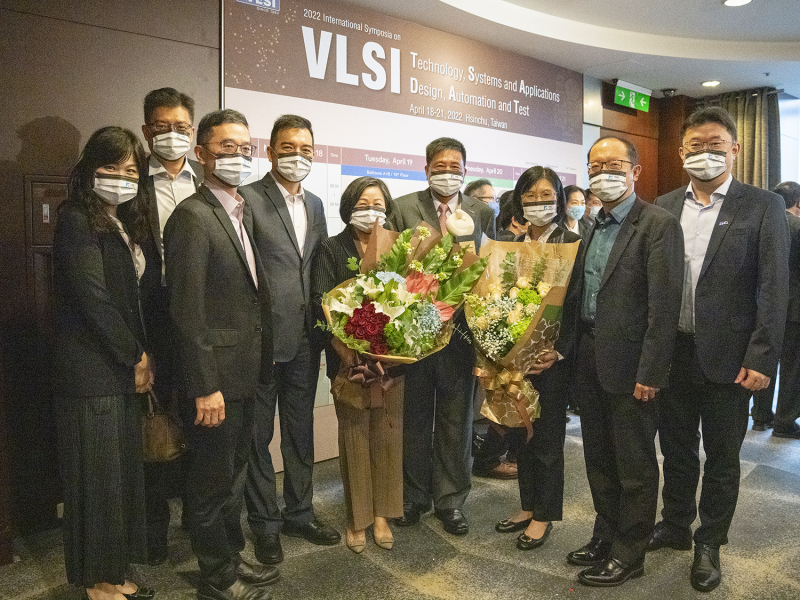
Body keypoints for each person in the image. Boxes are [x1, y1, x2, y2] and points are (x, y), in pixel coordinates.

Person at [650, 107, 790, 593]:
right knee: (676, 448)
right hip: (674, 353)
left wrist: (762, 357)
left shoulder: (763, 205)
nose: (704, 153)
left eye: (715, 145)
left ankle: (709, 541)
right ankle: (675, 524)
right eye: (695, 146)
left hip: (731, 359)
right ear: (680, 152)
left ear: (734, 149)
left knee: (723, 456)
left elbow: (774, 287)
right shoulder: (665, 205)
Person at [164, 109, 278, 600]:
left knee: (234, 477)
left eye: (245, 148)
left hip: (245, 373)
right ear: (201, 153)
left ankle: (231, 558)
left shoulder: (239, 211)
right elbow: (187, 313)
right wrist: (205, 386)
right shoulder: (192, 217)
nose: (238, 156)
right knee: (211, 483)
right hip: (216, 381)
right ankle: (217, 577)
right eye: (226, 147)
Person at [568, 136, 684, 587]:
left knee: (634, 465)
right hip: (589, 356)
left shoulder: (658, 224)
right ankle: (605, 535)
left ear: (635, 171)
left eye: (614, 165)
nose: (604, 174)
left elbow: (664, 307)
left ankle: (629, 552)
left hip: (633, 365)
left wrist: (652, 372)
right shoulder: (592, 224)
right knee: (598, 458)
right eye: (596, 166)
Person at [52, 126, 156, 600]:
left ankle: (112, 571)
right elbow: (93, 299)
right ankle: (98, 582)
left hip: (117, 369)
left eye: (130, 170)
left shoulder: (122, 221)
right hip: (91, 372)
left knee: (116, 476)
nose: (121, 177)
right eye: (110, 167)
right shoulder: (77, 219)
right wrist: (134, 355)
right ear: (89, 168)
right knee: (96, 480)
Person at [240, 115, 338, 565]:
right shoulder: (248, 198)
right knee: (258, 437)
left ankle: (300, 512)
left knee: (300, 432)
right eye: (288, 147)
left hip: (304, 341)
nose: (297, 156)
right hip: (261, 341)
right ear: (270, 151)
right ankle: (265, 525)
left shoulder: (315, 204)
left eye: (305, 149)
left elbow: (315, 267)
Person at [388, 137, 495, 535]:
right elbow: (390, 266)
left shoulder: (482, 212)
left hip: (462, 335)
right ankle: (413, 497)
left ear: (465, 171)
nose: (448, 173)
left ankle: (451, 501)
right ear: (426, 168)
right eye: (440, 166)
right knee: (415, 417)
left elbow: (490, 269)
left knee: (456, 419)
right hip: (415, 333)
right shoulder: (402, 208)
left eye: (455, 167)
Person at [121, 86, 203, 566]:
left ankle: (198, 520)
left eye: (181, 127)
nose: (172, 134)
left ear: (193, 132)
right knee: (151, 427)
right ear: (146, 129)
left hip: (199, 323)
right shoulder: (130, 183)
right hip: (149, 322)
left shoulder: (208, 180)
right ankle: (152, 533)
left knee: (201, 422)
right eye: (162, 126)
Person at [310, 176, 404, 553]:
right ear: (348, 208)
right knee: (355, 436)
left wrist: (402, 341)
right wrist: (345, 347)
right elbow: (321, 301)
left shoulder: (399, 248)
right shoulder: (331, 248)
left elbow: (414, 298)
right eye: (363, 205)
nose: (371, 211)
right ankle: (358, 518)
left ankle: (383, 514)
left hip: (393, 362)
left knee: (387, 437)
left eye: (378, 204)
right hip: (349, 361)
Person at [493, 167, 584, 551]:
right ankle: (527, 505)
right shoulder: (512, 244)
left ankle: (544, 514)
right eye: (529, 196)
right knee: (521, 434)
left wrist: (556, 350)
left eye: (546, 195)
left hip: (551, 360)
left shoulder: (573, 242)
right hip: (516, 357)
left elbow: (576, 305)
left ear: (558, 200)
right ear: (519, 200)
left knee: (547, 438)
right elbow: (497, 297)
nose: (538, 202)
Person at [772, 182, 800, 439]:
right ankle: (785, 421)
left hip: (770, 306)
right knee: (793, 368)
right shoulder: (798, 227)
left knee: (767, 363)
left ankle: (761, 416)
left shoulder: (767, 223)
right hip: (795, 309)